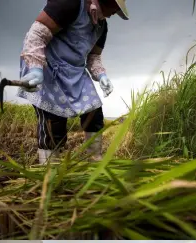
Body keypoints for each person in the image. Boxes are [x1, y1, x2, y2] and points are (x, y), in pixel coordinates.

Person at [17, 0, 129, 164]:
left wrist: (101, 76)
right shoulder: (70, 3)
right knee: (53, 122)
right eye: (115, 7)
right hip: (48, 67)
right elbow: (37, 34)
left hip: (75, 72)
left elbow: (93, 57)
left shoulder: (102, 26)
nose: (114, 13)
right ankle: (49, 170)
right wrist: (35, 68)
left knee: (94, 112)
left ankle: (94, 160)